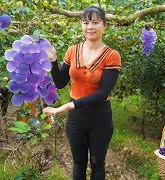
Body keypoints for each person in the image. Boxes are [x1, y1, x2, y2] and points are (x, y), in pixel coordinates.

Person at [43, 5, 121, 180]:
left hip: (99, 119)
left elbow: (102, 93)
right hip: (76, 120)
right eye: (85, 22)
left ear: (104, 25)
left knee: (97, 164)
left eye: (95, 22)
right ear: (81, 25)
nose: (90, 27)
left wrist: (69, 106)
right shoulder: (73, 51)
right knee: (78, 163)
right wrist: (54, 62)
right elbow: (61, 82)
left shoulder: (111, 55)